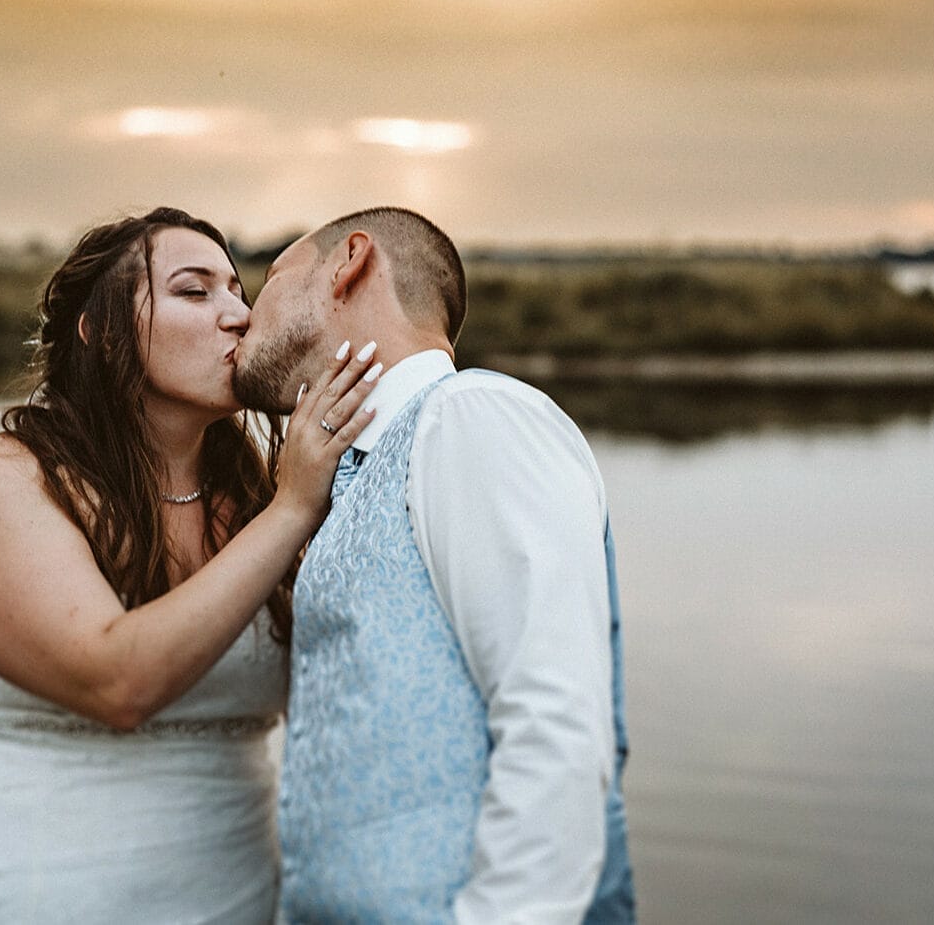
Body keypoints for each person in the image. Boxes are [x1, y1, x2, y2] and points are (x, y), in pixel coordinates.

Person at [0, 208, 380, 922]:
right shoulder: (0, 481)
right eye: (195, 291)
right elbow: (117, 681)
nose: (238, 316)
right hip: (3, 897)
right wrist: (293, 509)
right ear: (97, 331)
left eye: (237, 291)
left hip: (229, 901)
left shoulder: (260, 500)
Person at [233, 207, 636, 923]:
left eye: (270, 279)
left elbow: (554, 723)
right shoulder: (345, 475)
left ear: (349, 262)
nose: (243, 313)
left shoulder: (471, 416)